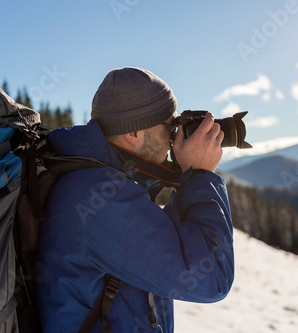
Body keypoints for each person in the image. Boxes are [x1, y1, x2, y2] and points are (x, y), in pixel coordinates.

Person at [35, 67, 234, 332]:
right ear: (134, 134)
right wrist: (200, 174)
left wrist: (189, 175)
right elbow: (212, 277)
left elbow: (173, 243)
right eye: (169, 127)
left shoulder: (99, 182)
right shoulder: (99, 198)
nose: (174, 139)